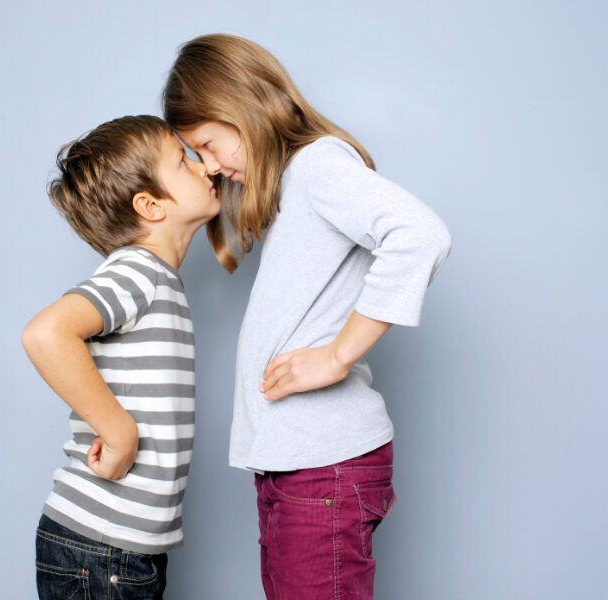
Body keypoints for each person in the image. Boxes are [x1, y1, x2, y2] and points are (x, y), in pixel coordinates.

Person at [162, 34, 452, 599]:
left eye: (209, 144)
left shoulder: (318, 167)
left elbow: (421, 235)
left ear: (239, 104)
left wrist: (340, 356)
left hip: (324, 466)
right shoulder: (296, 185)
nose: (213, 168)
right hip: (301, 465)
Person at [21, 115, 220, 600]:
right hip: (101, 549)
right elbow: (46, 333)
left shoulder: (154, 277)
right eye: (184, 160)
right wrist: (119, 431)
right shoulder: (139, 271)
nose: (203, 167)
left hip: (120, 549)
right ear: (150, 206)